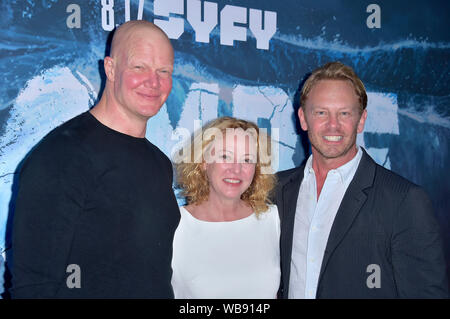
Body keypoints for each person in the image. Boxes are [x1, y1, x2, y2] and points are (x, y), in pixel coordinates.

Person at [10, 21, 180, 298]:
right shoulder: (62, 155)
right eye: (139, 67)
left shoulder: (159, 163)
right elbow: (33, 287)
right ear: (110, 69)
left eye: (164, 71)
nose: (154, 82)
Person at [275, 61, 448, 298]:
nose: (332, 125)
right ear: (303, 119)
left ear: (362, 120)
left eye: (344, 113)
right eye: (321, 112)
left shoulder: (404, 200)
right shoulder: (276, 190)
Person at [171, 117, 280, 298]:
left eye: (247, 159)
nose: (236, 169)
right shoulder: (175, 226)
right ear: (204, 162)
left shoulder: (273, 220)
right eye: (224, 156)